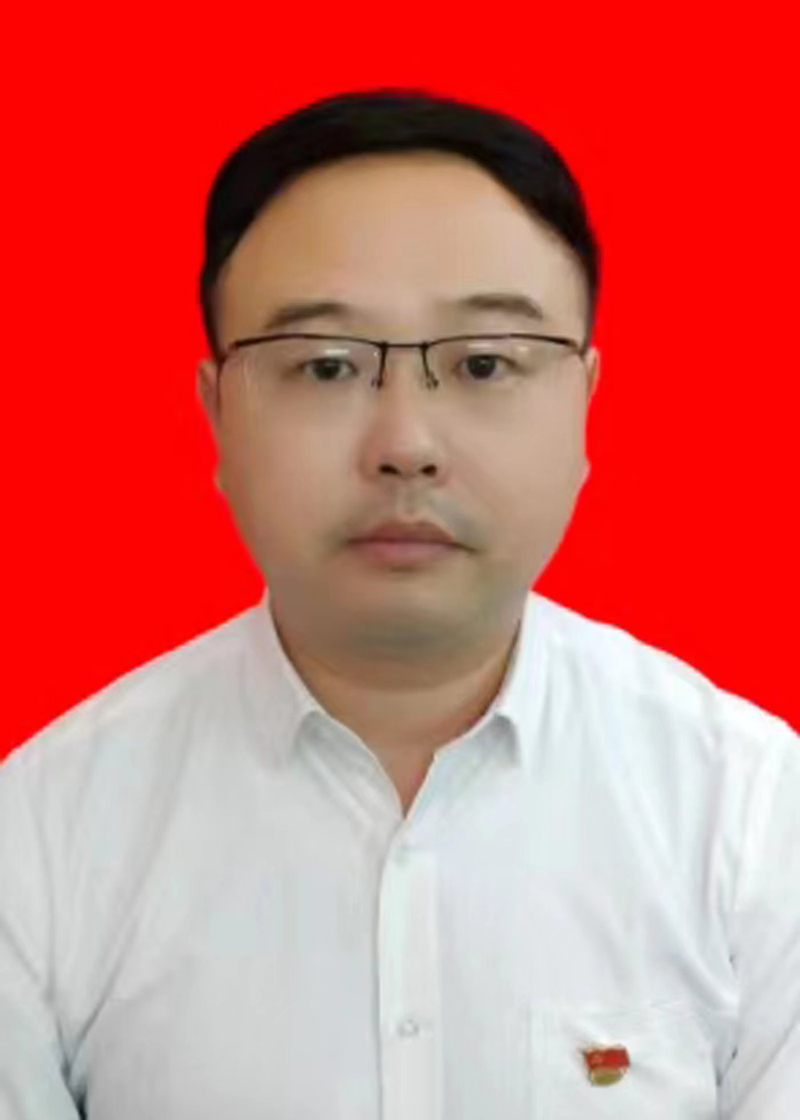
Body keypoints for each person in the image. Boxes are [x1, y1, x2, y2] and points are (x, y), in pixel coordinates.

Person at [1, 87, 798, 1120]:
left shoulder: (751, 814)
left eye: (483, 363)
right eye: (326, 366)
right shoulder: (42, 833)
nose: (405, 443)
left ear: (584, 404)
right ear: (216, 415)